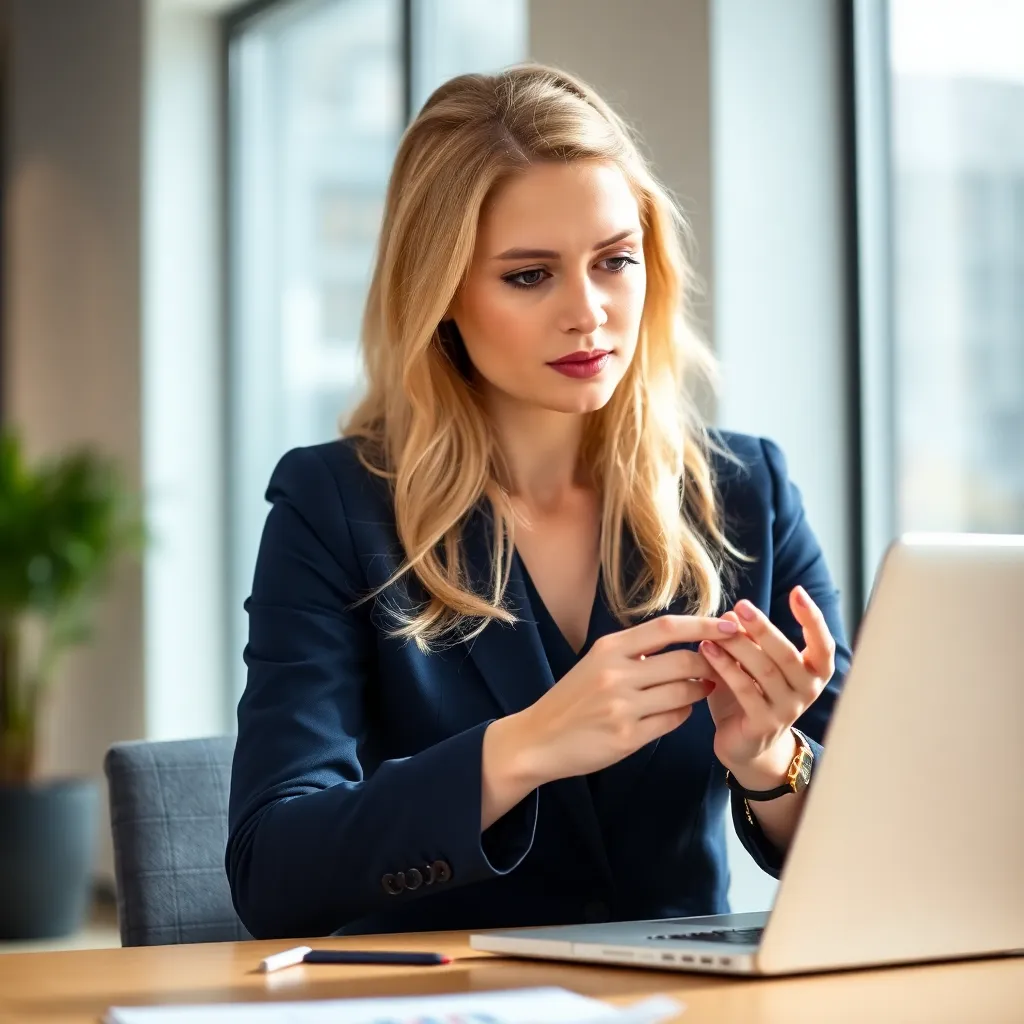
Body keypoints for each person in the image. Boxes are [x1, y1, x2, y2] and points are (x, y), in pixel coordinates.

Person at [226, 63, 851, 940]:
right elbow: (272, 869)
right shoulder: (333, 507)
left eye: (614, 261)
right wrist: (521, 748)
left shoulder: (746, 494)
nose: (590, 313)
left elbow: (870, 838)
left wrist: (768, 759)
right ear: (441, 294)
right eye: (529, 276)